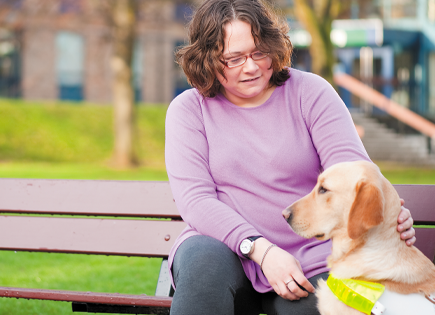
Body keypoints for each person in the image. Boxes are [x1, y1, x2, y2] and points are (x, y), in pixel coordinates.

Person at [164, 0, 417, 314]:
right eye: (234, 58)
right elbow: (196, 200)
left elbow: (351, 169)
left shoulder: (311, 92)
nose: (252, 66)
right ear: (208, 60)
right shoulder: (190, 110)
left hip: (309, 259)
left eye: (259, 52)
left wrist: (387, 209)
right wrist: (262, 250)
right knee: (202, 261)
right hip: (225, 249)